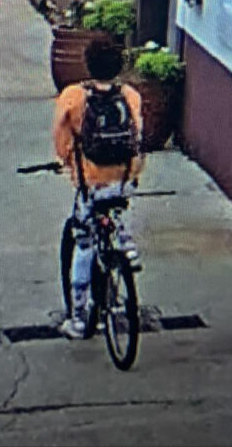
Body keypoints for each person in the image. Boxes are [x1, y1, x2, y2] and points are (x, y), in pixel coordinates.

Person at [52, 38, 144, 339]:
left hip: (92, 183)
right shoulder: (130, 95)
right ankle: (125, 244)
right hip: (124, 180)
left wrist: (66, 162)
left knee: (84, 243)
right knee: (117, 210)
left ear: (88, 65)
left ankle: (79, 319)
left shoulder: (73, 97)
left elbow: (62, 142)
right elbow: (138, 134)